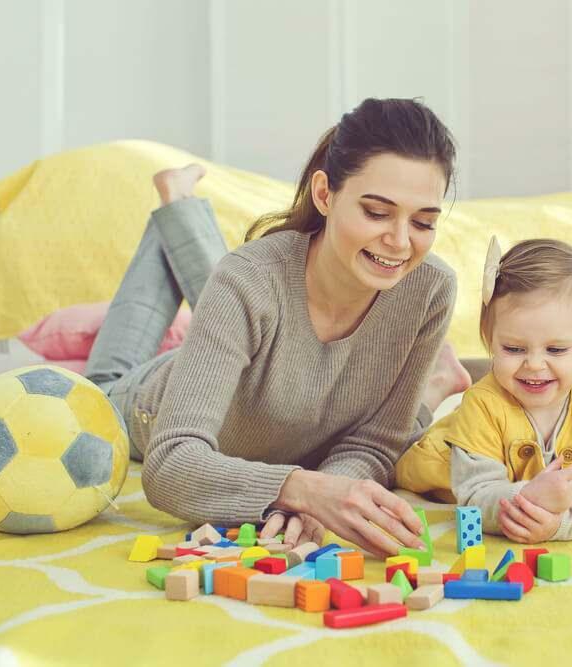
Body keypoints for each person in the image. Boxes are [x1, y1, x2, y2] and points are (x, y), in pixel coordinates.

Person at [84, 98, 471, 557]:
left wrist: (324, 499)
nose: (401, 241)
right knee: (96, 389)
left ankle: (178, 207)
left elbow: (372, 445)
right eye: (376, 212)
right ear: (324, 194)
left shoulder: (430, 289)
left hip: (275, 417)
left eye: (424, 221)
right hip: (149, 404)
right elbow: (170, 467)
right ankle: (178, 207)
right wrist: (302, 489)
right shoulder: (248, 278)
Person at [396, 237, 572, 543]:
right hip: (443, 458)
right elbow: (475, 498)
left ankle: (444, 378)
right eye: (513, 348)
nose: (535, 365)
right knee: (395, 458)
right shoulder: (482, 406)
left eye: (555, 349)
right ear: (489, 337)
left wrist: (558, 523)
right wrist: (528, 497)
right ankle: (436, 388)